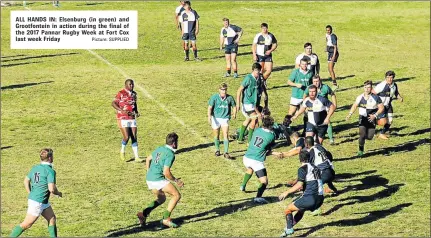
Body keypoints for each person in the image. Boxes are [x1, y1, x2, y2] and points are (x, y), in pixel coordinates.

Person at [10, 148, 63, 237]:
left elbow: (26, 181)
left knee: (52, 218)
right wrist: (58, 193)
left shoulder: (35, 168)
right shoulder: (50, 171)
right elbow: (52, 189)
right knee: (26, 224)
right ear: (50, 158)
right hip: (38, 202)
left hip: (42, 201)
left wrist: (30, 193)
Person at [137, 133, 184, 228]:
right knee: (176, 195)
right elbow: (166, 172)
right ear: (174, 143)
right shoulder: (170, 154)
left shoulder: (159, 148)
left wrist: (148, 171)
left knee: (161, 198)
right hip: (157, 179)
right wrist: (176, 180)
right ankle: (165, 218)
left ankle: (143, 214)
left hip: (149, 178)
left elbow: (148, 159)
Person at [279, 150, 324, 237]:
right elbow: (314, 181)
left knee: (288, 209)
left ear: (299, 158)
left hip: (310, 197)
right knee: (301, 210)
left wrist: (286, 192)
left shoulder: (302, 169)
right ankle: (290, 226)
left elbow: (299, 184)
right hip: (320, 198)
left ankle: (289, 229)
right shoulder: (316, 167)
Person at [239, 116, 277, 204]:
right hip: (256, 160)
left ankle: (243, 185)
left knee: (249, 169)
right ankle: (258, 197)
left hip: (246, 157)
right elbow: (269, 148)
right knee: (264, 181)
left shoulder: (258, 130)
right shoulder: (271, 135)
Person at [346, 80, 385, 157]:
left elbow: (381, 107)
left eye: (369, 87)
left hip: (371, 118)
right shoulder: (360, 97)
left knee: (370, 137)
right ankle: (361, 150)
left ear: (371, 88)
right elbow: (355, 105)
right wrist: (349, 114)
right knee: (362, 135)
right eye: (366, 87)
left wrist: (375, 115)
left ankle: (365, 138)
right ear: (363, 88)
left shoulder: (376, 97)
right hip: (362, 118)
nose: (367, 89)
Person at [236, 62, 268, 143]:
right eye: (256, 70)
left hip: (255, 103)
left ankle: (240, 138)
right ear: (253, 70)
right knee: (255, 118)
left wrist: (264, 95)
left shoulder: (259, 79)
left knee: (249, 119)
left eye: (259, 70)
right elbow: (239, 90)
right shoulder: (248, 78)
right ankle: (250, 141)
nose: (258, 72)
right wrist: (237, 103)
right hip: (247, 103)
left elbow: (262, 88)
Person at [112, 79, 141, 162]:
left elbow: (134, 104)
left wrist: (136, 112)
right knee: (126, 137)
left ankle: (136, 156)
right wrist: (121, 110)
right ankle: (122, 151)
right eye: (130, 84)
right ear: (126, 85)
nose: (131, 86)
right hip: (122, 118)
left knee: (134, 137)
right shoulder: (121, 93)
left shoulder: (134, 94)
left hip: (131, 117)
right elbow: (113, 103)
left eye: (132, 84)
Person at [304, 75, 337, 144]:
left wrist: (334, 104)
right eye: (314, 81)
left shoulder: (325, 87)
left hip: (324, 106)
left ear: (320, 81)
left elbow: (332, 94)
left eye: (317, 81)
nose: (316, 83)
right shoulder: (310, 88)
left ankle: (331, 138)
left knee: (327, 121)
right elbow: (305, 96)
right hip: (313, 107)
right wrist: (306, 106)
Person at [208, 83, 237, 159]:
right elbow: (210, 107)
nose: (224, 91)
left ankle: (226, 152)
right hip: (215, 118)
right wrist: (209, 116)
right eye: (222, 90)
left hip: (225, 118)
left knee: (226, 134)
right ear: (219, 90)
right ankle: (217, 150)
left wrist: (234, 113)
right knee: (216, 135)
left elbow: (234, 106)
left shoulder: (230, 98)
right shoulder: (214, 97)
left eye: (225, 89)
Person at [372, 70, 404, 139]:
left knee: (390, 120)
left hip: (388, 105)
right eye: (388, 77)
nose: (389, 79)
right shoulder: (381, 85)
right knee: (383, 122)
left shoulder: (394, 85)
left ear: (393, 78)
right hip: (381, 106)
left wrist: (399, 97)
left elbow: (396, 93)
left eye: (391, 77)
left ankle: (382, 133)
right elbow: (373, 93)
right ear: (385, 78)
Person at [287, 58, 314, 135]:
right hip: (296, 95)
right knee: (291, 112)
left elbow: (312, 84)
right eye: (303, 64)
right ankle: (286, 128)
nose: (304, 66)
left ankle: (305, 131)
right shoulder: (296, 72)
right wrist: (296, 84)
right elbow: (289, 81)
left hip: (305, 97)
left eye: (306, 64)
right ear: (300, 64)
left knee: (307, 114)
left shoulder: (310, 73)